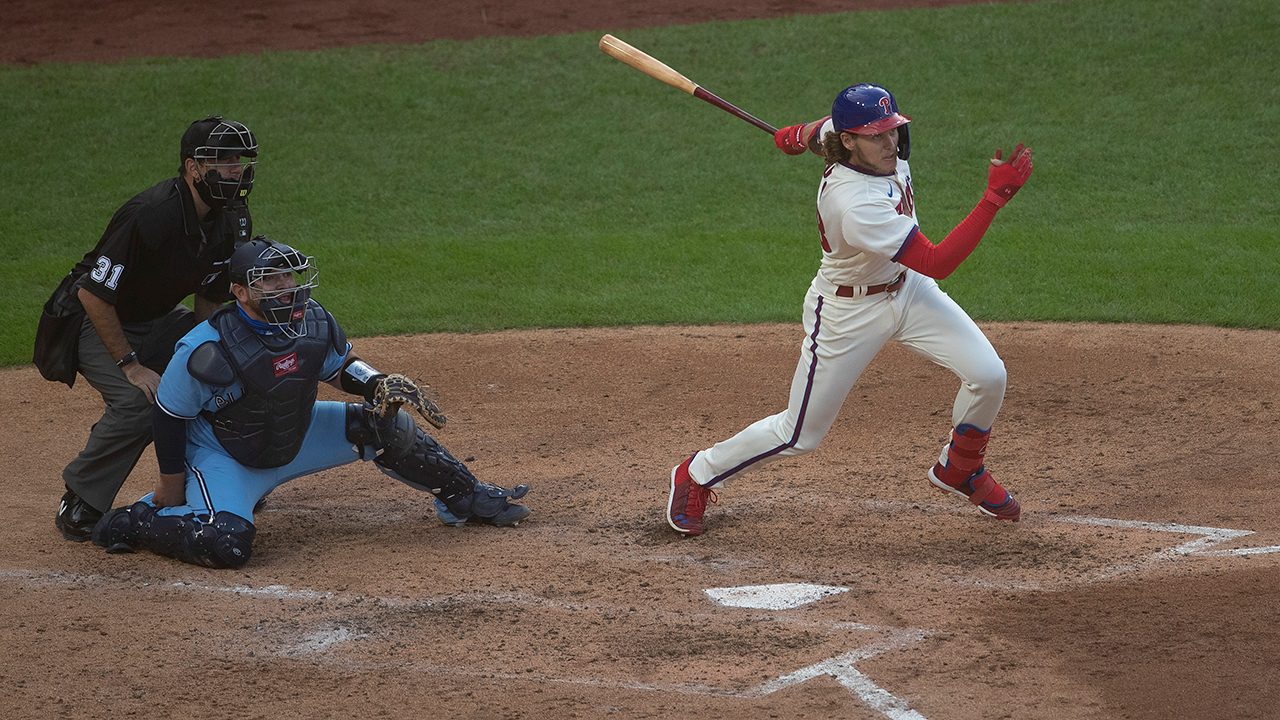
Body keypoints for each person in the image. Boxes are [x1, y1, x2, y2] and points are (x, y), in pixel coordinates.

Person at [665, 83, 1034, 536]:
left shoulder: (848, 140)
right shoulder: (853, 204)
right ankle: (697, 472)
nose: (889, 143)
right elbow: (940, 261)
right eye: (876, 135)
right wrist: (994, 198)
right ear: (849, 142)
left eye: (892, 129)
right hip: (849, 312)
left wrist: (798, 134)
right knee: (800, 434)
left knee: (988, 374)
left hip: (909, 289)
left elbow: (818, 130)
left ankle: (960, 468)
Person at [91, 237, 531, 569]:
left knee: (382, 425)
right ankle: (135, 521)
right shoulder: (204, 349)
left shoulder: (313, 322)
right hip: (225, 455)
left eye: (290, 276)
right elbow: (168, 417)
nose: (286, 287)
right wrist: (170, 486)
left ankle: (463, 496)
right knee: (226, 545)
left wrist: (377, 383)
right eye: (271, 280)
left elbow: (339, 368)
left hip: (294, 436)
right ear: (240, 292)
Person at [42, 116, 258, 542]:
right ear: (193, 168)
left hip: (156, 320)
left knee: (234, 369)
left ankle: (223, 478)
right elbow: (93, 294)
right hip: (92, 320)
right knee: (140, 402)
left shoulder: (230, 216)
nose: (234, 169)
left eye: (238, 160)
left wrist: (215, 355)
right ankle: (82, 498)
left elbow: (212, 297)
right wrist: (131, 365)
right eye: (221, 160)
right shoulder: (150, 215)